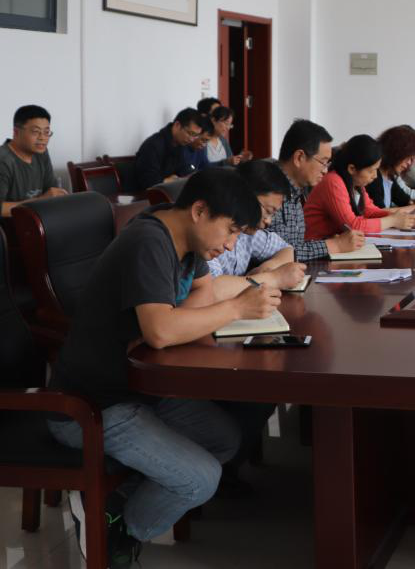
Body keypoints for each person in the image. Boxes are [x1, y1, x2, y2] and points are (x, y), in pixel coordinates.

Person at [47, 168, 279, 566]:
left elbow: (200, 292)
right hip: (91, 405)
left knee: (225, 439)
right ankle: (115, 529)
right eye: (230, 231)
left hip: (140, 388)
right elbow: (160, 331)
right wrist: (233, 309)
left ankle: (113, 500)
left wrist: (178, 323)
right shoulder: (149, 241)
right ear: (200, 211)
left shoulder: (187, 238)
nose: (230, 245)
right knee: (200, 480)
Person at [266, 119, 362, 260]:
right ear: (299, 158)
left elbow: (294, 246)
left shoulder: (297, 191)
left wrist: (329, 242)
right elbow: (274, 254)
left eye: (328, 163)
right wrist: (334, 245)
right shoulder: (268, 189)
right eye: (323, 162)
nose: (325, 170)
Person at [207, 160, 304, 287]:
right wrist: (273, 278)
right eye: (268, 211)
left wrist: (268, 268)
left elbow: (288, 250)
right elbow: (212, 288)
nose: (269, 221)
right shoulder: (211, 229)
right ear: (247, 197)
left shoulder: (249, 233)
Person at [305, 135, 415, 235]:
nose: (375, 176)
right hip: (316, 246)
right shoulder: (333, 182)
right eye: (371, 171)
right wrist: (392, 220)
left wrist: (397, 216)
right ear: (352, 169)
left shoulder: (356, 184)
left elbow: (370, 211)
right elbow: (352, 226)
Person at [0, 104, 67, 218]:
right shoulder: (0, 162)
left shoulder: (41, 153)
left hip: (32, 221)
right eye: (35, 131)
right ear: (16, 132)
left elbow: (51, 191)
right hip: (0, 227)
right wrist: (41, 201)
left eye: (46, 132)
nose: (42, 138)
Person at [366, 126, 415, 209]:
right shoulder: (374, 177)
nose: (409, 163)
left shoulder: (389, 176)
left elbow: (404, 200)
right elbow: (380, 212)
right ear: (396, 153)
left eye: (411, 159)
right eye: (408, 158)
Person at [135, 108, 208, 189]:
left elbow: (184, 171)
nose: (191, 139)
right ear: (177, 125)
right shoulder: (154, 145)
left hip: (168, 190)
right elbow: (148, 181)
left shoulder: (181, 144)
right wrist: (168, 181)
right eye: (190, 133)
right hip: (146, 193)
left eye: (195, 135)